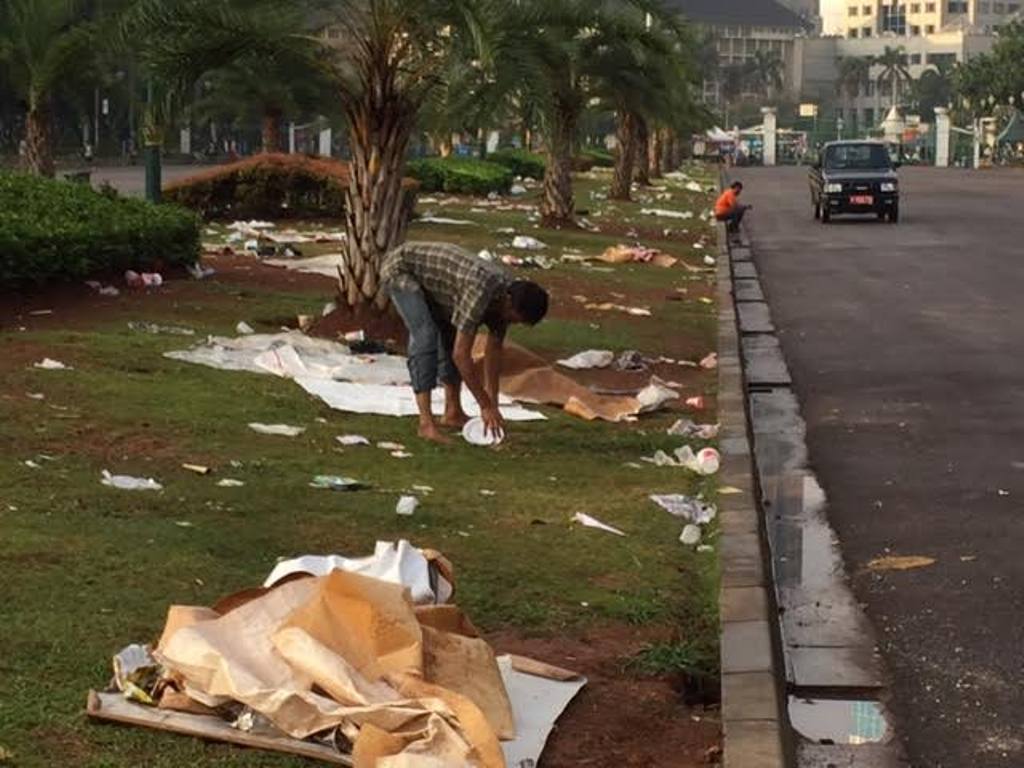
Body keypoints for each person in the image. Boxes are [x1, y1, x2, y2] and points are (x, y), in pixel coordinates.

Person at [381, 242, 550, 444]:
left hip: (441, 286)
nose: (513, 322)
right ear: (507, 301)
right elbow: (461, 356)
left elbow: (494, 351)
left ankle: (452, 413)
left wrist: (493, 404)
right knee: (426, 336)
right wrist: (484, 405)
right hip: (402, 269)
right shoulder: (479, 290)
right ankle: (426, 424)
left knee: (450, 335)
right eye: (515, 318)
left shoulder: (508, 300)